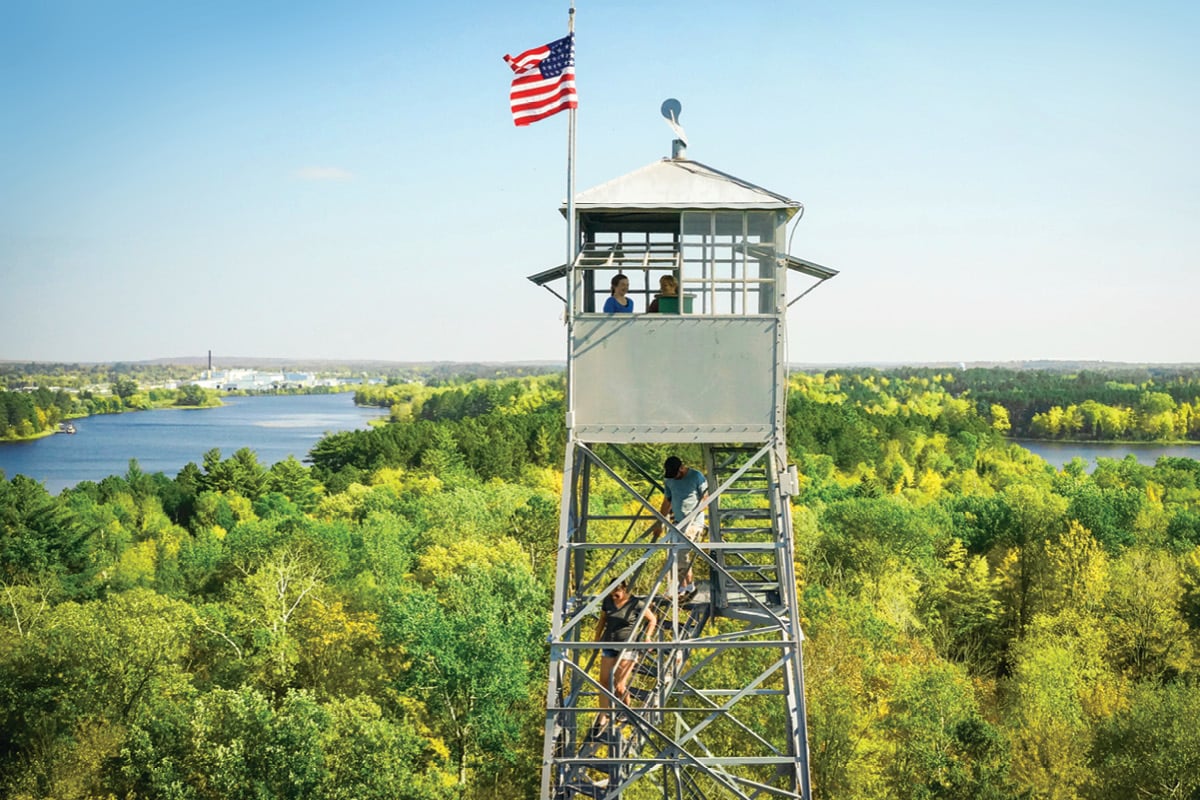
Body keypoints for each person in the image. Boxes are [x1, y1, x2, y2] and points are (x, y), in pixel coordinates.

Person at [593, 580, 656, 728]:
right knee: (603, 682)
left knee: (619, 686)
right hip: (609, 644)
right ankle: (603, 716)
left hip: (628, 647)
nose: (613, 596)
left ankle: (627, 711)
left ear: (624, 590)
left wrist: (647, 637)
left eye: (616, 593)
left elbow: (652, 619)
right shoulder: (608, 601)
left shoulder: (636, 603)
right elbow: (602, 620)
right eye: (611, 593)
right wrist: (596, 640)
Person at [652, 455, 708, 595]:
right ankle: (684, 587)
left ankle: (688, 587)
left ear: (682, 469)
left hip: (693, 522)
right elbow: (667, 502)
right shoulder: (670, 480)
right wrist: (660, 522)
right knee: (674, 554)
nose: (674, 478)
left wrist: (693, 514)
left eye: (676, 475)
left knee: (681, 552)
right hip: (677, 522)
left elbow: (706, 498)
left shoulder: (696, 476)